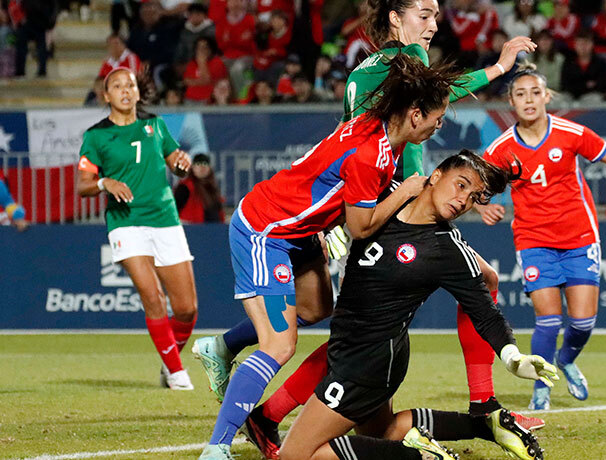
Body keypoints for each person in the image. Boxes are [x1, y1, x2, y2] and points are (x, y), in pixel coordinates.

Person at [194, 4, 543, 457]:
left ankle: (234, 362)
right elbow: (362, 203)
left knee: (332, 313)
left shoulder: (380, 93)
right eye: (424, 13)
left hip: (330, 215)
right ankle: (219, 445)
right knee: (298, 339)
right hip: (283, 224)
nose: (433, 24)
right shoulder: (387, 118)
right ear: (396, 19)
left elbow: (426, 101)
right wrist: (403, 194)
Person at [197, 54, 462, 460]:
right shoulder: (372, 155)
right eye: (437, 117)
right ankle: (216, 448)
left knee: (319, 308)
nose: (439, 125)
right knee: (279, 345)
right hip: (266, 231)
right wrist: (405, 192)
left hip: (297, 231)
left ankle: (223, 346)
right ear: (413, 115)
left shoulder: (376, 124)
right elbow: (362, 227)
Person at [276, 152, 560, 460]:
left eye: (472, 197)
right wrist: (326, 229)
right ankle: (486, 425)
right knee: (381, 433)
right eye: (460, 185)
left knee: (294, 456)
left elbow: (485, 312)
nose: (462, 200)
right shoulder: (389, 195)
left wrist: (512, 355)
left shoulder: (447, 249)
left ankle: (419, 456)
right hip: (352, 348)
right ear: (436, 175)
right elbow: (337, 197)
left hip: (368, 364)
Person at [478, 65, 606, 411]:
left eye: (535, 92)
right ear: (511, 102)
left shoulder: (570, 133)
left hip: (579, 236)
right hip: (533, 240)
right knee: (548, 319)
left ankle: (565, 360)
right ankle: (541, 385)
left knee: (582, 321)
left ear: (547, 97)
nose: (529, 100)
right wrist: (482, 206)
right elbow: (474, 181)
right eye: (520, 94)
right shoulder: (502, 148)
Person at [76, 67, 198, 391]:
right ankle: (176, 372)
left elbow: (176, 163)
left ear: (138, 93)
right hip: (125, 222)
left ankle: (168, 361)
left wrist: (183, 166)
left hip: (165, 219)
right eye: (116, 86)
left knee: (187, 309)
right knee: (153, 296)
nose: (125, 90)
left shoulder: (155, 126)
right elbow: (82, 184)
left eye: (129, 85)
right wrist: (104, 181)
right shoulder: (96, 135)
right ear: (106, 96)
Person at [174, 153, 225, 223]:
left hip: (214, 230)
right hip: (192, 230)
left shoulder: (213, 189)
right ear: (193, 168)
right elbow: (174, 211)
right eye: (198, 164)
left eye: (205, 164)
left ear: (209, 168)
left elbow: (220, 212)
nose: (202, 167)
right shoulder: (185, 187)